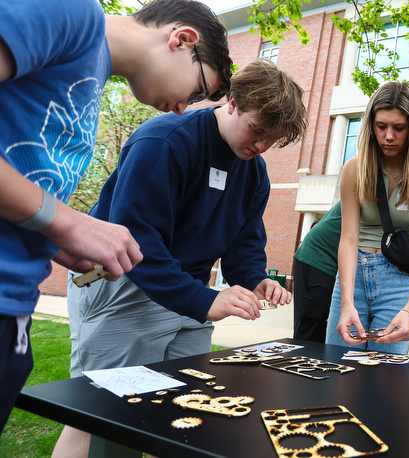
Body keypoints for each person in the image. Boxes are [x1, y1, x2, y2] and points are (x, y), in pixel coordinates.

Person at [0, 0, 233, 434]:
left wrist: (52, 234)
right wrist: (66, 221)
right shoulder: (70, 14)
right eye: (198, 91)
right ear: (182, 40)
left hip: (14, 301)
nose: (186, 107)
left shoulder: (93, 77)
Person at [52, 58, 306, 456]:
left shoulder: (254, 173)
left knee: (184, 411)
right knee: (98, 413)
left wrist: (255, 278)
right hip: (123, 284)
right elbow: (139, 240)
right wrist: (206, 299)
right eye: (258, 131)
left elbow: (244, 244)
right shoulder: (165, 140)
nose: (260, 146)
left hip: (188, 299)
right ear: (234, 102)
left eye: (272, 141)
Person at [325, 81, 409, 355]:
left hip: (399, 283)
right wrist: (347, 302)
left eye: (399, 128)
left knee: (386, 380)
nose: (389, 136)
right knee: (338, 368)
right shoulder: (353, 169)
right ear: (370, 125)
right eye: (381, 126)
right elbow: (347, 239)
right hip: (352, 277)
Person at [293, 202, 342, 343]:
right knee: (311, 325)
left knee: (322, 329)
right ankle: (300, 363)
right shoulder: (362, 185)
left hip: (330, 261)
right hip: (318, 259)